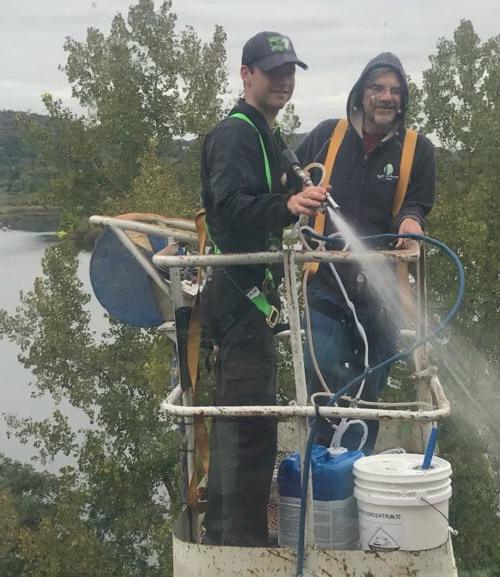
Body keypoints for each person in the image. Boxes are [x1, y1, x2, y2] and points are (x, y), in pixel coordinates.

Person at [198, 31, 328, 547]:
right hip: (237, 296)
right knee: (249, 430)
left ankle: (230, 532)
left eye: (290, 71)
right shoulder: (236, 135)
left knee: (248, 423)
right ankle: (240, 542)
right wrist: (287, 207)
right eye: (273, 71)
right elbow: (228, 206)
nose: (284, 80)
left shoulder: (265, 133)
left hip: (248, 296)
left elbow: (267, 192)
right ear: (245, 75)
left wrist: (298, 193)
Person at [295, 52, 436, 455]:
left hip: (382, 293)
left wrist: (412, 224)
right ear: (360, 94)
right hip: (326, 284)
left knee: (369, 392)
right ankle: (320, 472)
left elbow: (416, 204)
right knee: (322, 382)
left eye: (395, 90)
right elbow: (288, 180)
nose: (386, 97)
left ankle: (357, 472)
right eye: (377, 88)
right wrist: (299, 195)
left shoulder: (417, 150)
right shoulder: (327, 135)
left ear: (403, 100)